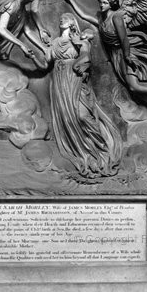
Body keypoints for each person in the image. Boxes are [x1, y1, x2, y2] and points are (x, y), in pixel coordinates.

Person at [61, 0, 147, 125]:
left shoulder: (116, 17)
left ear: (111, 4)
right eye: (100, 2)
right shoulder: (103, 21)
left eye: (104, 2)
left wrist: (127, 56)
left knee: (134, 86)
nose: (101, 5)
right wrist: (71, 0)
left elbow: (124, 39)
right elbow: (84, 15)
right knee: (133, 88)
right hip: (117, 56)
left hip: (126, 53)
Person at [36, 13, 122, 178]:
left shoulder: (79, 40)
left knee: (82, 115)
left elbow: (86, 56)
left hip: (75, 78)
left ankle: (101, 148)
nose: (62, 19)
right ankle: (80, 150)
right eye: (61, 18)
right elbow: (45, 63)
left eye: (67, 18)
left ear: (73, 23)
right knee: (67, 118)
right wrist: (34, 55)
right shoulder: (54, 43)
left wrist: (80, 62)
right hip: (60, 81)